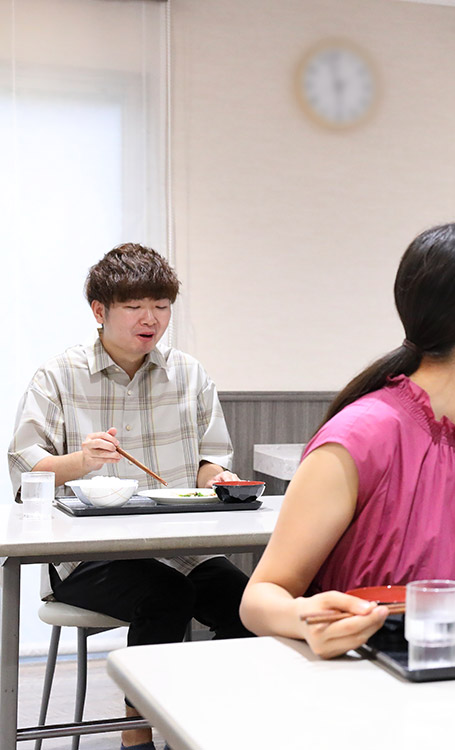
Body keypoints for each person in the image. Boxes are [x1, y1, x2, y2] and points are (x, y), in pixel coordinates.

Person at [240, 222, 455, 658]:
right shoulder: (361, 436)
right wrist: (307, 619)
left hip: (453, 677)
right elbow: (260, 597)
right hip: (356, 677)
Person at [7, 243, 252, 750]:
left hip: (183, 548)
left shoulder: (189, 374)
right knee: (164, 596)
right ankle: (135, 737)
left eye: (161, 307)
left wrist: (217, 479)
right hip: (86, 555)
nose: (151, 319)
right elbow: (25, 474)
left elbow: (211, 457)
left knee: (249, 605)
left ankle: (212, 727)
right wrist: (81, 461)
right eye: (136, 306)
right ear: (100, 311)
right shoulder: (58, 376)